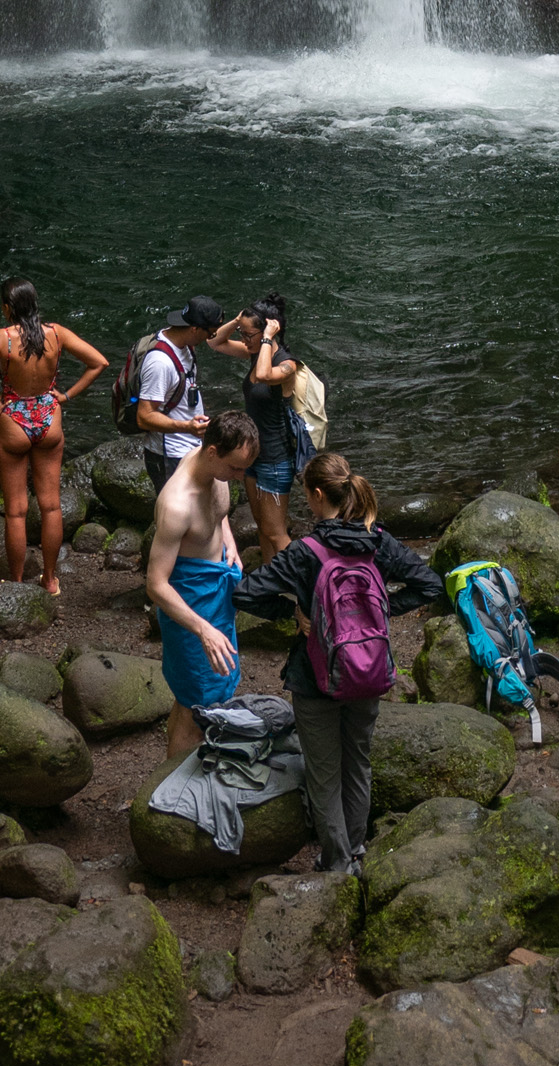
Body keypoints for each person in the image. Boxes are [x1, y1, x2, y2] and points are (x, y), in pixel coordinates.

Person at [233, 450, 443, 872]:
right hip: (367, 670)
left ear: (315, 495)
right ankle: (358, 849)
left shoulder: (305, 551)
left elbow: (245, 593)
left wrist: (292, 614)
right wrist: (383, 610)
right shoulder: (378, 541)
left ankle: (337, 861)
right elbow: (429, 584)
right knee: (358, 762)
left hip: (316, 676)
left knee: (324, 771)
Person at [0, 279, 109, 596]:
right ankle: (50, 579)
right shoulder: (56, 334)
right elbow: (99, 363)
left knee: (15, 510)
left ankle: (15, 584)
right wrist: (65, 396)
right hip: (49, 418)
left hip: (13, 420)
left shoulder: (3, 339)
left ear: (6, 308)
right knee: (51, 507)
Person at [147, 406, 260, 757]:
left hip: (216, 589)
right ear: (213, 452)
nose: (241, 476)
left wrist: (230, 543)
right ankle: (174, 789)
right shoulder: (177, 505)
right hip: (190, 603)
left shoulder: (213, 467)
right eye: (235, 468)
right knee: (196, 701)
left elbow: (219, 515)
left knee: (200, 697)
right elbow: (156, 584)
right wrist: (203, 630)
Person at [211, 294, 302, 562]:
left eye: (248, 334)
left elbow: (264, 375)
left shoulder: (287, 364)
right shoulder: (254, 353)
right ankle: (269, 584)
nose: (244, 340)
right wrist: (239, 320)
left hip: (275, 458)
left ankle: (305, 586)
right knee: (263, 528)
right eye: (243, 334)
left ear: (268, 333)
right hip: (253, 456)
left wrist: (265, 338)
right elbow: (214, 341)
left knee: (275, 532)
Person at [134, 295, 239, 498]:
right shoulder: (160, 363)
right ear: (194, 329)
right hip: (169, 455)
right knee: (177, 516)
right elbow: (144, 416)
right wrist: (187, 426)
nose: (211, 337)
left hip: (189, 446)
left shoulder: (184, 344)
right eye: (210, 333)